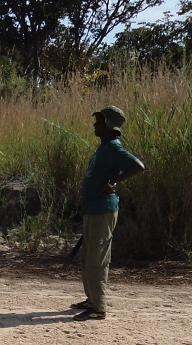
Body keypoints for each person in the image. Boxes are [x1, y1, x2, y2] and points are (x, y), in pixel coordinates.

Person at [71, 105, 145, 321]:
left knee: (98, 258)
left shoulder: (113, 147)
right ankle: (91, 299)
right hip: (93, 210)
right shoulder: (104, 147)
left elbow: (138, 166)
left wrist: (114, 181)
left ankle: (98, 308)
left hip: (103, 211)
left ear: (111, 127)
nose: (95, 125)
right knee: (88, 258)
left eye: (100, 121)